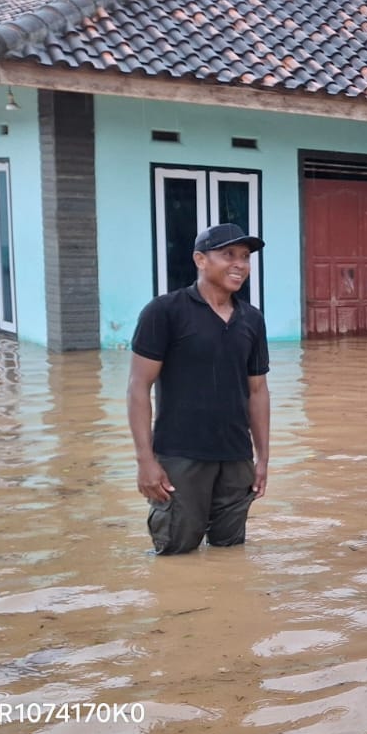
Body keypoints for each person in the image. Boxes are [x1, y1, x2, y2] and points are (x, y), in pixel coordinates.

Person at [127, 223, 270, 555]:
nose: (239, 264)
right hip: (180, 457)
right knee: (176, 552)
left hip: (236, 459)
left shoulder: (252, 319)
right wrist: (145, 460)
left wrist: (262, 459)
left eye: (246, 257)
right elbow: (138, 387)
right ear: (200, 260)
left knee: (229, 553)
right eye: (228, 255)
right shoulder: (165, 312)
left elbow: (258, 391)